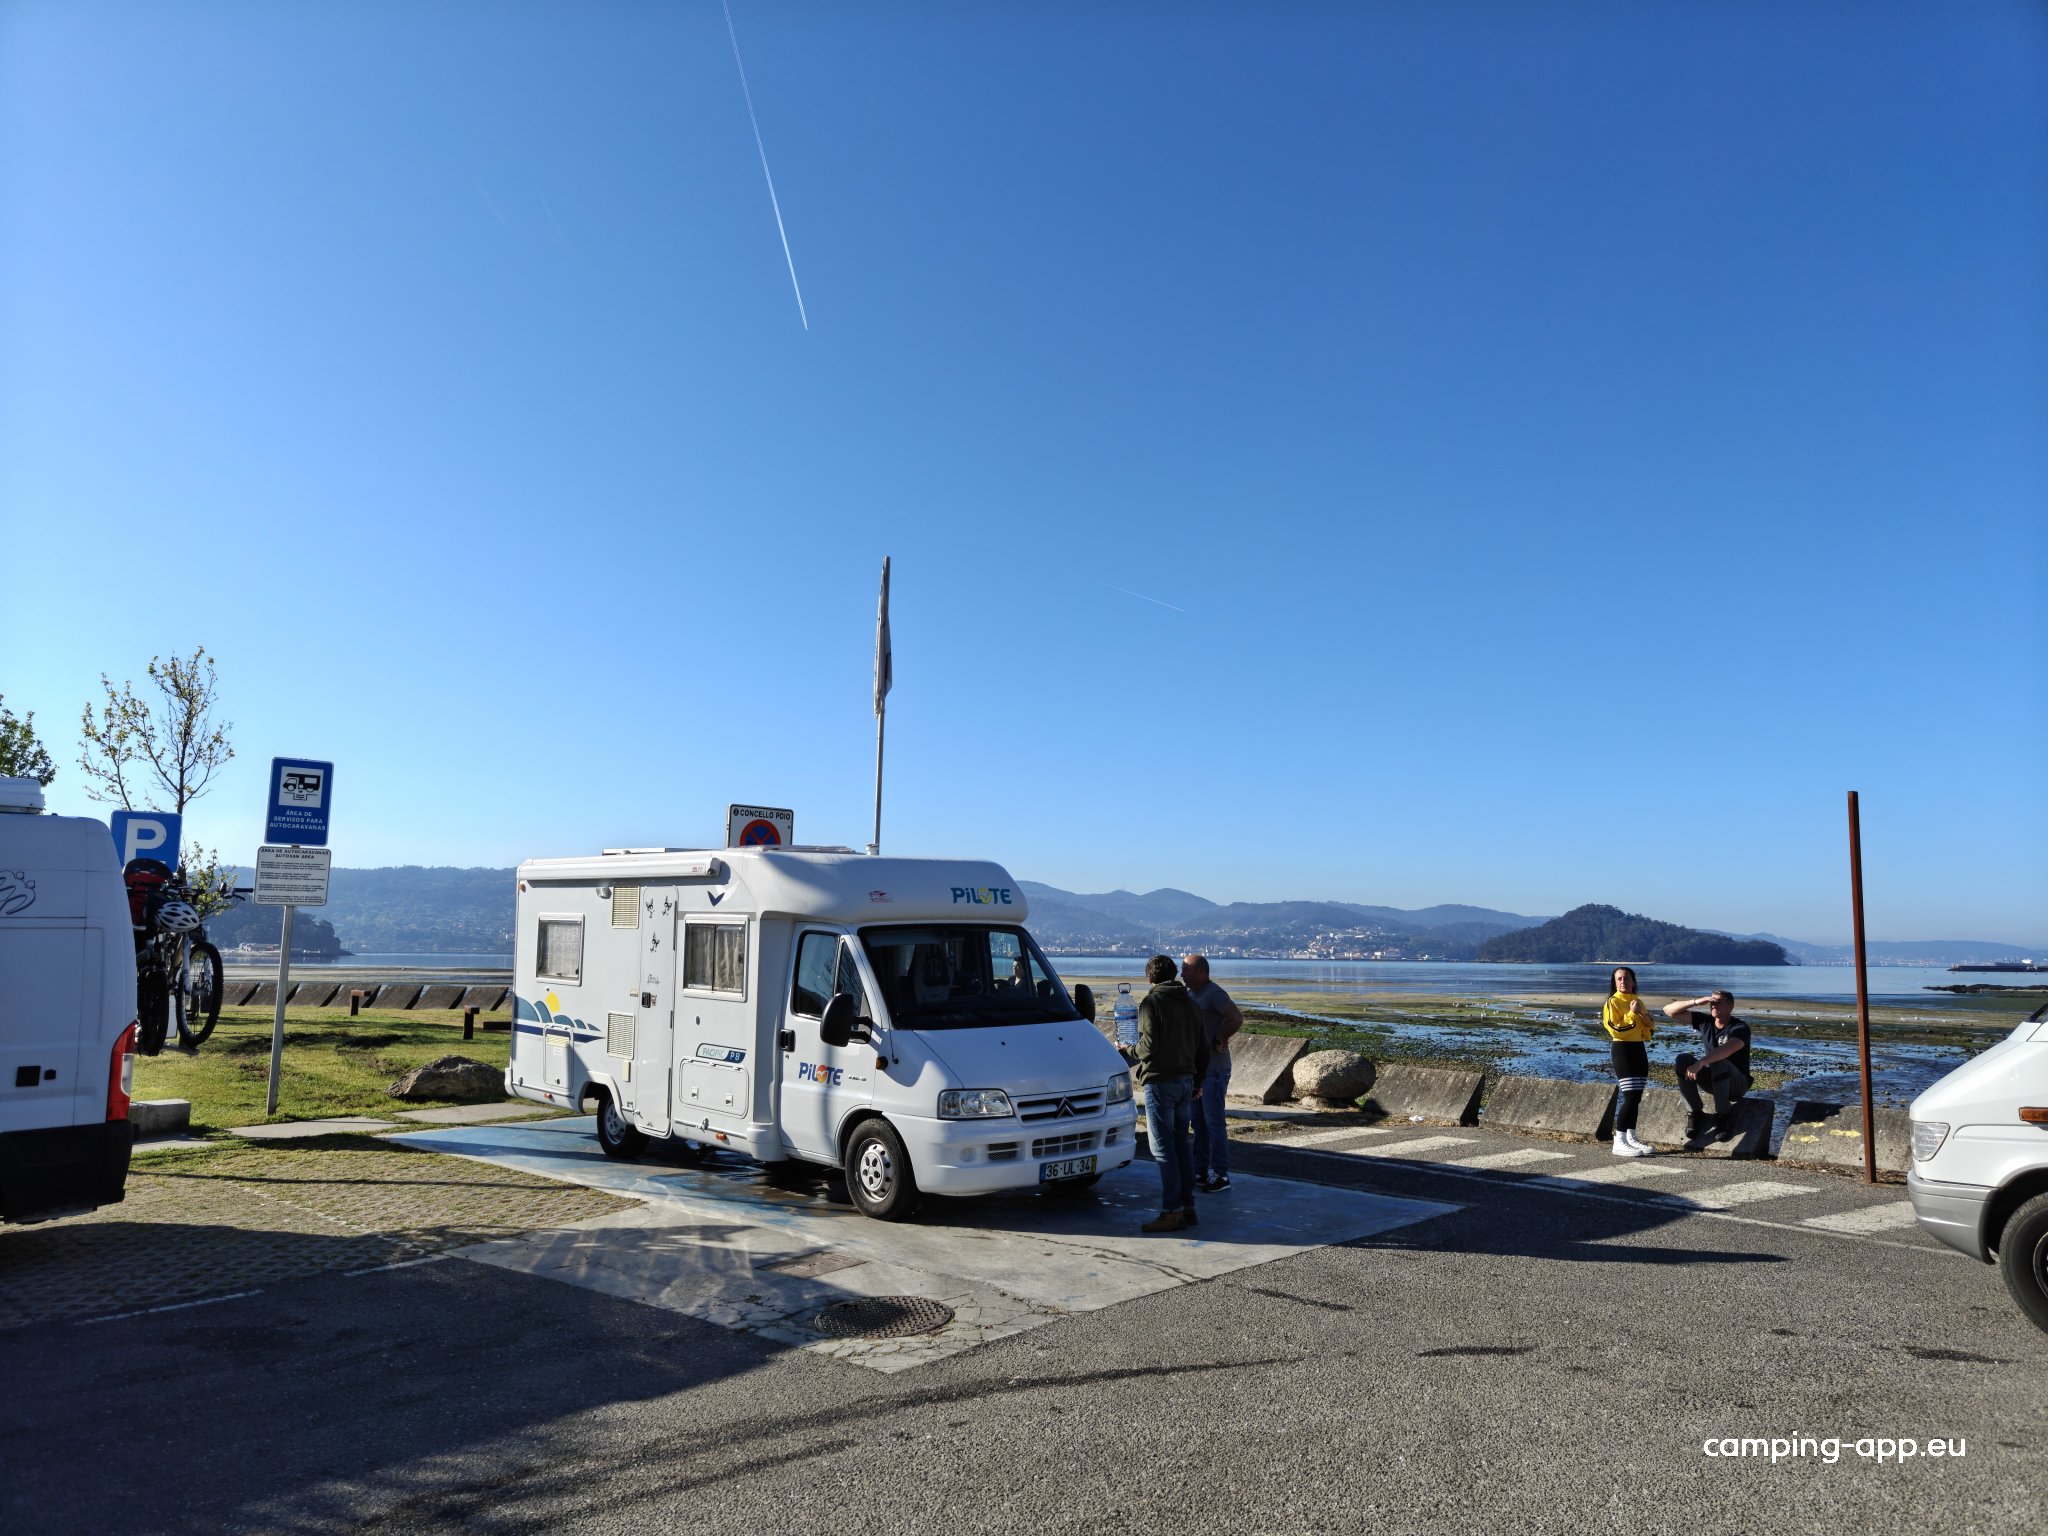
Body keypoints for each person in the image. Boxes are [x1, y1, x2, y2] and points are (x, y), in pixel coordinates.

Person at [1134, 953, 1209, 1233]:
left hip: (1160, 1082)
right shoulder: (1190, 1003)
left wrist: (1129, 1051)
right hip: (1186, 1082)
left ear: (1150, 977)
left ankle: (1171, 1212)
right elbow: (1203, 1049)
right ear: (1175, 974)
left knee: (1163, 1150)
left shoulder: (1152, 1001)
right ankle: (1188, 1207)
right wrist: (1198, 1081)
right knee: (1181, 1146)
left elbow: (1149, 1044)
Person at [1183, 953, 1243, 1192]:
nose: (1182, 973)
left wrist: (1219, 1037)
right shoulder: (1191, 994)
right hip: (1197, 1071)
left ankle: (1221, 1174)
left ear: (1201, 972)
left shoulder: (1213, 993)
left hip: (1214, 1071)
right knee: (1198, 1123)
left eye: (1186, 969)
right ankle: (1200, 1170)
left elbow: (1236, 1017)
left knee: (1214, 1122)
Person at [1663, 989, 1753, 1141]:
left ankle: (1723, 1116)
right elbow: (1668, 1010)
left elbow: (1727, 1049)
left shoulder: (1740, 1028)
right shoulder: (1705, 1022)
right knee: (1682, 1060)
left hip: (1737, 1084)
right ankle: (1695, 1112)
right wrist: (1696, 1002)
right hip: (1715, 1081)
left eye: (1718, 1002)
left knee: (1718, 1060)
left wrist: (1701, 1062)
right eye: (1712, 1003)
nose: (1713, 1006)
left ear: (1730, 1006)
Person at [1600, 966, 1657, 1158]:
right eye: (1619, 979)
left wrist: (1646, 1017)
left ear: (1633, 981)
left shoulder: (1637, 1001)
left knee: (1637, 1097)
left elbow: (1648, 1030)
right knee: (1630, 1096)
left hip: (1639, 1049)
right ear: (1614, 982)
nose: (1623, 981)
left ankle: (1631, 1137)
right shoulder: (1612, 1002)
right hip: (1622, 1049)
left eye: (1626, 978)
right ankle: (1619, 1140)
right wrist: (1633, 1014)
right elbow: (1615, 1029)